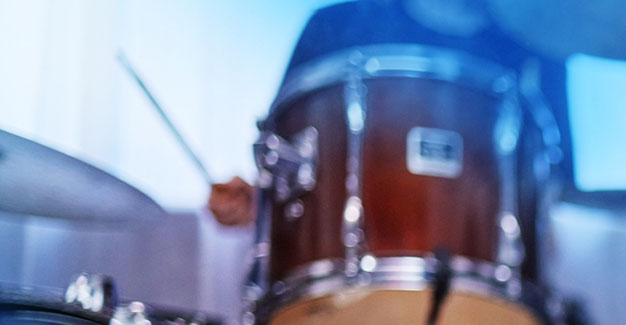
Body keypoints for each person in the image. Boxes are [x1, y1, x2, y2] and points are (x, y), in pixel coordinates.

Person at [206, 0, 569, 227]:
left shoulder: (539, 53)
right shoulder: (333, 27)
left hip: (490, 295)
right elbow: (283, 168)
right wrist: (257, 201)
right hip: (338, 297)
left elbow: (559, 188)